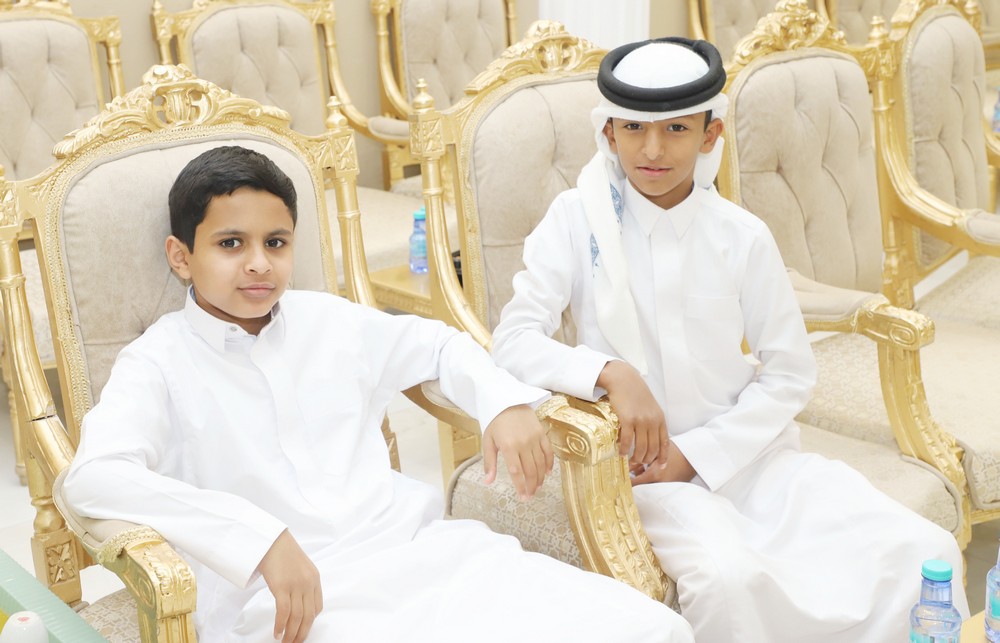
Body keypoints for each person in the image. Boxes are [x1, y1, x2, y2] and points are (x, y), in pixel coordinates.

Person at [62, 146, 692, 643]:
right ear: (181, 256)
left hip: (425, 555)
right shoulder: (158, 363)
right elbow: (93, 477)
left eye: (276, 243)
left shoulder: (329, 321)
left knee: (649, 629)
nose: (258, 263)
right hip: (293, 599)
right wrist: (258, 538)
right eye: (231, 244)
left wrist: (500, 400)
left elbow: (439, 345)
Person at [491, 37, 969, 642]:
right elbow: (513, 340)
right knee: (730, 580)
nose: (653, 149)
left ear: (709, 134)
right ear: (609, 133)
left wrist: (699, 454)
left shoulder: (742, 236)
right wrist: (610, 372)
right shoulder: (574, 219)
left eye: (676, 129)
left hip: (752, 460)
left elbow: (789, 374)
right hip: (640, 477)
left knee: (921, 548)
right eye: (634, 128)